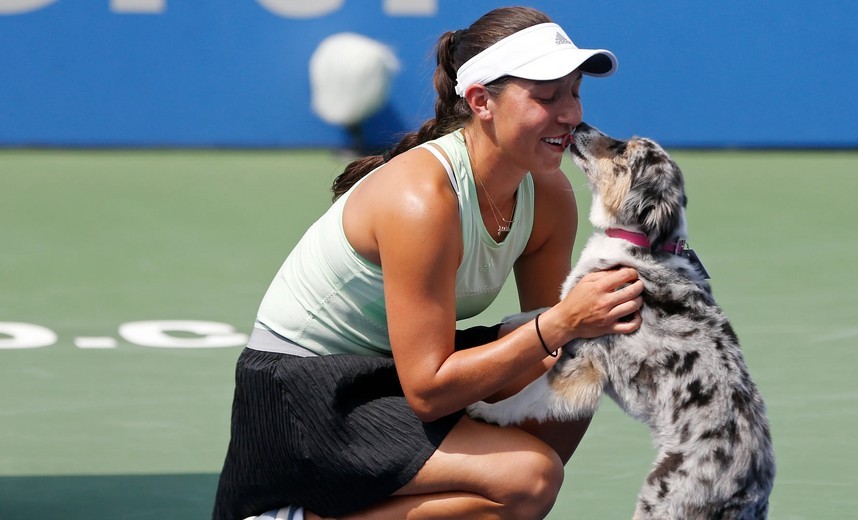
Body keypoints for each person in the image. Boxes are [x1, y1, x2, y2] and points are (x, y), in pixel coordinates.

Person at [212, 6, 643, 520]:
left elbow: (550, 347)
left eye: (574, 92)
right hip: (306, 398)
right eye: (547, 97)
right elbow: (430, 391)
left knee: (574, 375)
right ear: (482, 101)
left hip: (389, 374)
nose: (571, 114)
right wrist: (566, 320)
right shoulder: (422, 199)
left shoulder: (548, 195)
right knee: (529, 478)